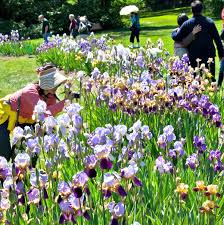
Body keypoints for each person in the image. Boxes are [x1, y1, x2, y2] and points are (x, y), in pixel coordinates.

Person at [0, 63, 67, 161]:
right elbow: (43, 114)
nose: (58, 85)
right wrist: (65, 103)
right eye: (56, 83)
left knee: (30, 150)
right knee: (3, 153)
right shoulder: (30, 91)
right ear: (47, 83)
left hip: (24, 120)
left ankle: (22, 173)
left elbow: (48, 116)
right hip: (4, 116)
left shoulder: (50, 95)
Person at [171, 1, 224, 81]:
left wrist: (173, 32)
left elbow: (177, 37)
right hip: (209, 56)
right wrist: (221, 54)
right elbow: (217, 40)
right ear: (202, 9)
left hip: (195, 57)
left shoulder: (187, 24)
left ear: (191, 11)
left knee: (197, 82)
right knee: (211, 80)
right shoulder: (209, 22)